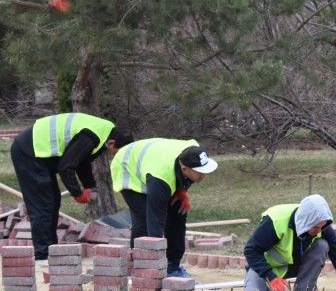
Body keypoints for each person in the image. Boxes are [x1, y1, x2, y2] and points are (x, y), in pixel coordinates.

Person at [10, 112, 133, 260]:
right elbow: (66, 167)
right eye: (117, 153)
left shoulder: (103, 133)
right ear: (112, 143)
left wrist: (89, 185)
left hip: (39, 153)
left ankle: (50, 251)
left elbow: (82, 160)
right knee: (43, 204)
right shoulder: (92, 135)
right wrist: (77, 193)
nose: (115, 156)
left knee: (53, 201)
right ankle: (42, 256)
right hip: (28, 151)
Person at [111, 138, 217, 278]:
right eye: (200, 172)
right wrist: (155, 262)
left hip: (154, 160)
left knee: (178, 213)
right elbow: (156, 222)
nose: (204, 175)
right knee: (144, 219)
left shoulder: (195, 152)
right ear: (184, 169)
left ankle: (173, 266)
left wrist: (181, 190)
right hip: (127, 166)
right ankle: (141, 268)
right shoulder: (161, 179)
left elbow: (187, 177)